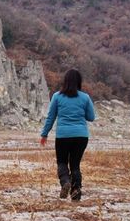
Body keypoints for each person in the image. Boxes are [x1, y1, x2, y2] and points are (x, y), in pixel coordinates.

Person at [40, 69, 95, 201]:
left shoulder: (57, 96)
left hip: (63, 136)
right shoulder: (85, 97)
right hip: (81, 136)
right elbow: (91, 117)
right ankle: (76, 194)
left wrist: (44, 134)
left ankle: (65, 182)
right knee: (75, 165)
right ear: (79, 82)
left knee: (62, 162)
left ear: (65, 81)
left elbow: (51, 117)